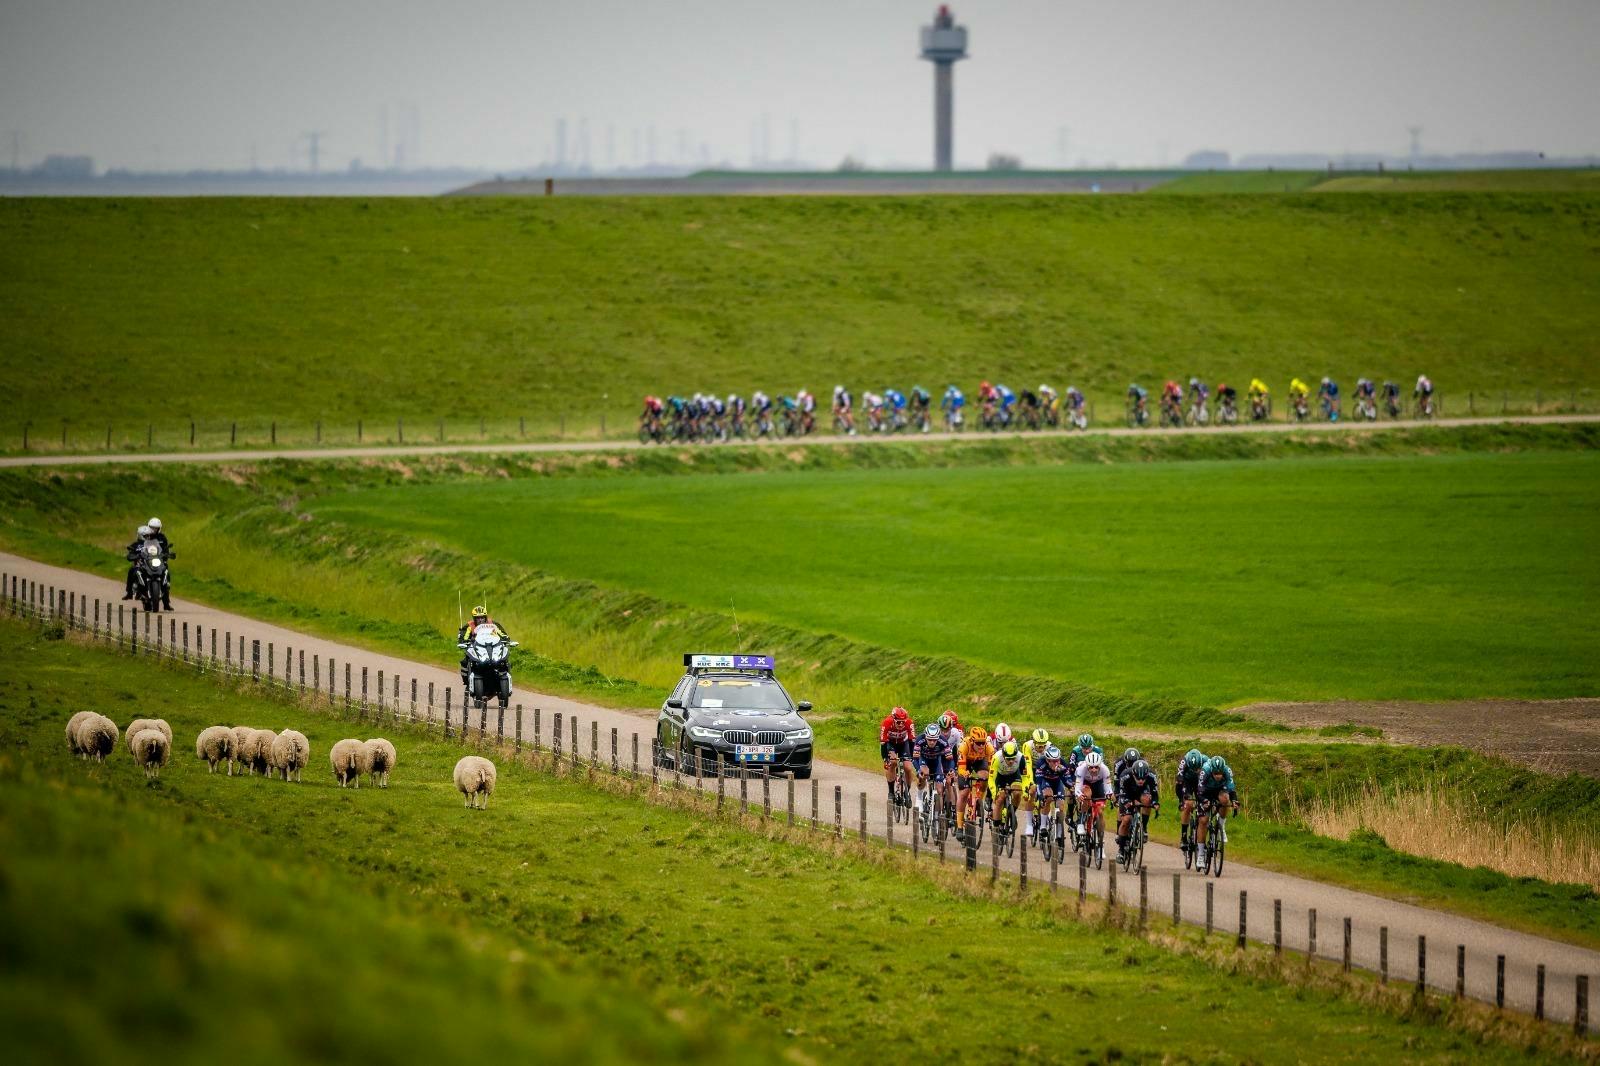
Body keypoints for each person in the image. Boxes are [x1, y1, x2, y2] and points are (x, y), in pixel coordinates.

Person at [1195, 755, 1240, 869]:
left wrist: (1235, 801)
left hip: (1219, 790)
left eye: (1220, 773)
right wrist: (1204, 801)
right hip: (1205, 792)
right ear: (1212, 771)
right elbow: (1199, 791)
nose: (1218, 776)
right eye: (1215, 773)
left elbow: (1231, 788)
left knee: (1225, 799)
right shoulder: (1205, 770)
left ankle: (1221, 826)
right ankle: (1200, 854)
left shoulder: (1227, 770)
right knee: (1203, 820)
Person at [1115, 758, 1160, 862]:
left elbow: (1154, 793)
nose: (1141, 781)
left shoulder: (1152, 776)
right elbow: (1121, 794)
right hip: (1127, 794)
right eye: (1138, 778)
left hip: (1142, 793)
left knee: (1147, 799)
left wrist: (1155, 803)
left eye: (1143, 778)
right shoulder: (1125, 775)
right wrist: (1128, 802)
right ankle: (1121, 851)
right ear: (1133, 774)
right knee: (1126, 820)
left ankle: (1143, 828)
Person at [456, 605, 511, 689]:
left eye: (482, 617)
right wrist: (463, 641)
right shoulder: (469, 626)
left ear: (485, 617)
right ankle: (467, 682)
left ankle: (504, 675)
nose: (480, 620)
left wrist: (506, 638)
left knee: (504, 659)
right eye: (477, 618)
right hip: (476, 648)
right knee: (464, 661)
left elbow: (502, 633)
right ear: (474, 618)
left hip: (492, 647)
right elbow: (463, 636)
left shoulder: (493, 624)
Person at [988, 737, 1034, 836]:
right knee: (1000, 799)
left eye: (1013, 758)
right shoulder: (996, 757)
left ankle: (1011, 813)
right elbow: (991, 779)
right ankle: (996, 826)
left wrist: (1025, 791)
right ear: (1003, 756)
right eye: (1008, 759)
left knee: (1017, 793)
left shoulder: (1021, 757)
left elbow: (1025, 777)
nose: (1011, 761)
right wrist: (994, 793)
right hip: (1000, 777)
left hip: (1014, 775)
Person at [956, 725, 993, 831]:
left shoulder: (989, 748)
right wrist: (965, 774)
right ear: (972, 741)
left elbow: (991, 770)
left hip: (979, 762)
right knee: (964, 793)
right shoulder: (964, 746)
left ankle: (978, 801)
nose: (981, 746)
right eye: (978, 743)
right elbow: (961, 769)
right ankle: (959, 825)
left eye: (983, 742)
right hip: (965, 763)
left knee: (985, 776)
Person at [1032, 745, 1072, 843]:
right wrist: (1041, 795)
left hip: (1057, 783)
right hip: (1045, 782)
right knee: (1049, 798)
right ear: (1047, 760)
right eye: (1053, 761)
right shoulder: (1041, 763)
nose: (1056, 763)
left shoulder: (1062, 763)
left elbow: (1067, 781)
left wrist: (1072, 788)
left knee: (1061, 806)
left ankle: (1059, 831)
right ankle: (1042, 827)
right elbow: (1038, 782)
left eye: (1057, 760)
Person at [1075, 750, 1114, 847]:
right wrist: (1079, 795)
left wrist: (1110, 794)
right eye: (1091, 767)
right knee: (1087, 795)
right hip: (1086, 784)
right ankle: (1081, 821)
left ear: (1100, 765)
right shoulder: (1081, 769)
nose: (1093, 770)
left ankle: (1100, 838)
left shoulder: (1105, 769)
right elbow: (1077, 788)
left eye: (1096, 767)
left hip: (1098, 785)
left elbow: (1108, 787)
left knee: (1100, 811)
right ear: (1087, 765)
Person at [1173, 748, 1208, 856]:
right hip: (1187, 783)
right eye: (1193, 768)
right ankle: (1184, 836)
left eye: (1198, 768)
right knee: (1188, 804)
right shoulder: (1183, 762)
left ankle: (1202, 841)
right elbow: (1178, 783)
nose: (1196, 770)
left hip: (1200, 783)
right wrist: (1181, 800)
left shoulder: (1206, 760)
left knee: (1204, 810)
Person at [879, 706, 916, 803]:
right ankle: (891, 792)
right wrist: (885, 758)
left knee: (908, 768)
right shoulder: (887, 722)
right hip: (890, 744)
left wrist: (912, 757)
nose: (901, 724)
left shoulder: (909, 723)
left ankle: (907, 792)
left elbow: (912, 741)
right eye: (898, 722)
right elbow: (883, 743)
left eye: (903, 722)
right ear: (893, 719)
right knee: (893, 762)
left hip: (904, 743)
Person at [913, 722, 952, 814]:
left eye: (934, 740)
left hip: (936, 761)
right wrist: (918, 771)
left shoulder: (943, 741)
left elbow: (950, 759)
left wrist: (949, 771)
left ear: (938, 738)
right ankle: (919, 798)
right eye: (929, 739)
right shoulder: (919, 740)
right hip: (924, 760)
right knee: (924, 773)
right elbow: (914, 759)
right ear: (925, 737)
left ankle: (937, 815)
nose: (932, 742)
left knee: (939, 789)